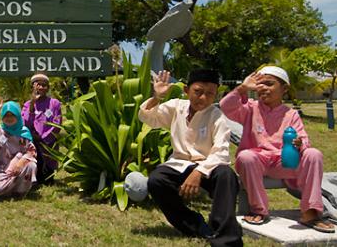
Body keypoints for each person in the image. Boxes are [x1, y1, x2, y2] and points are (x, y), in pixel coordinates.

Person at [221, 66, 335, 233]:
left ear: (284, 89)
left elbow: (303, 139)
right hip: (257, 161)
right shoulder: (250, 108)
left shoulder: (291, 114)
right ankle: (259, 210)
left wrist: (299, 143)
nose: (263, 88)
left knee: (313, 154)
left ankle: (310, 213)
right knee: (246, 156)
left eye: (269, 84)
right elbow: (226, 107)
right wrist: (243, 88)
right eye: (260, 84)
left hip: (285, 162)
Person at [140, 69, 242, 246]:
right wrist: (157, 97)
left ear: (215, 95)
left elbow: (221, 152)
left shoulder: (217, 117)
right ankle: (195, 226)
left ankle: (225, 238)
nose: (203, 98)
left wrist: (198, 173)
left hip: (209, 165)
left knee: (227, 176)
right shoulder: (176, 107)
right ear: (187, 90)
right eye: (198, 92)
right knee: (156, 180)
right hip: (179, 163)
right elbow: (149, 118)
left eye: (209, 94)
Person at [0, 97, 37, 198]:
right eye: (6, 115)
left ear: (17, 116)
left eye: (12, 115)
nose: (9, 118)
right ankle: (10, 188)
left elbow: (31, 151)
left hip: (19, 167)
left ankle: (20, 191)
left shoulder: (23, 132)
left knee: (31, 165)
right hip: (2, 171)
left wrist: (20, 163)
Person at [22, 73, 62, 185]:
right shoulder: (27, 104)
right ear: (33, 87)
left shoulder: (54, 103)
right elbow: (25, 123)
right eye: (38, 84)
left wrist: (44, 137)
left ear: (48, 87)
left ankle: (48, 175)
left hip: (48, 141)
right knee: (37, 169)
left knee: (48, 175)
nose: (41, 87)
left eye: (44, 85)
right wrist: (32, 105)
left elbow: (57, 123)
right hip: (34, 140)